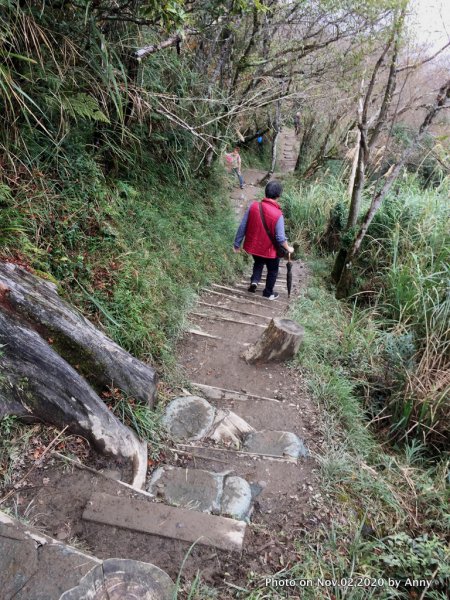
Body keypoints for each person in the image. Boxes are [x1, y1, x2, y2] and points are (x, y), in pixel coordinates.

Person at [233, 180, 294, 300]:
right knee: (272, 270)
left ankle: (254, 281)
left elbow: (242, 226)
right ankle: (268, 293)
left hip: (254, 247)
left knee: (258, 262)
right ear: (278, 196)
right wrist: (289, 248)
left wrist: (237, 244)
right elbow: (280, 238)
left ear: (266, 192)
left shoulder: (253, 206)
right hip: (270, 250)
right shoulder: (278, 214)